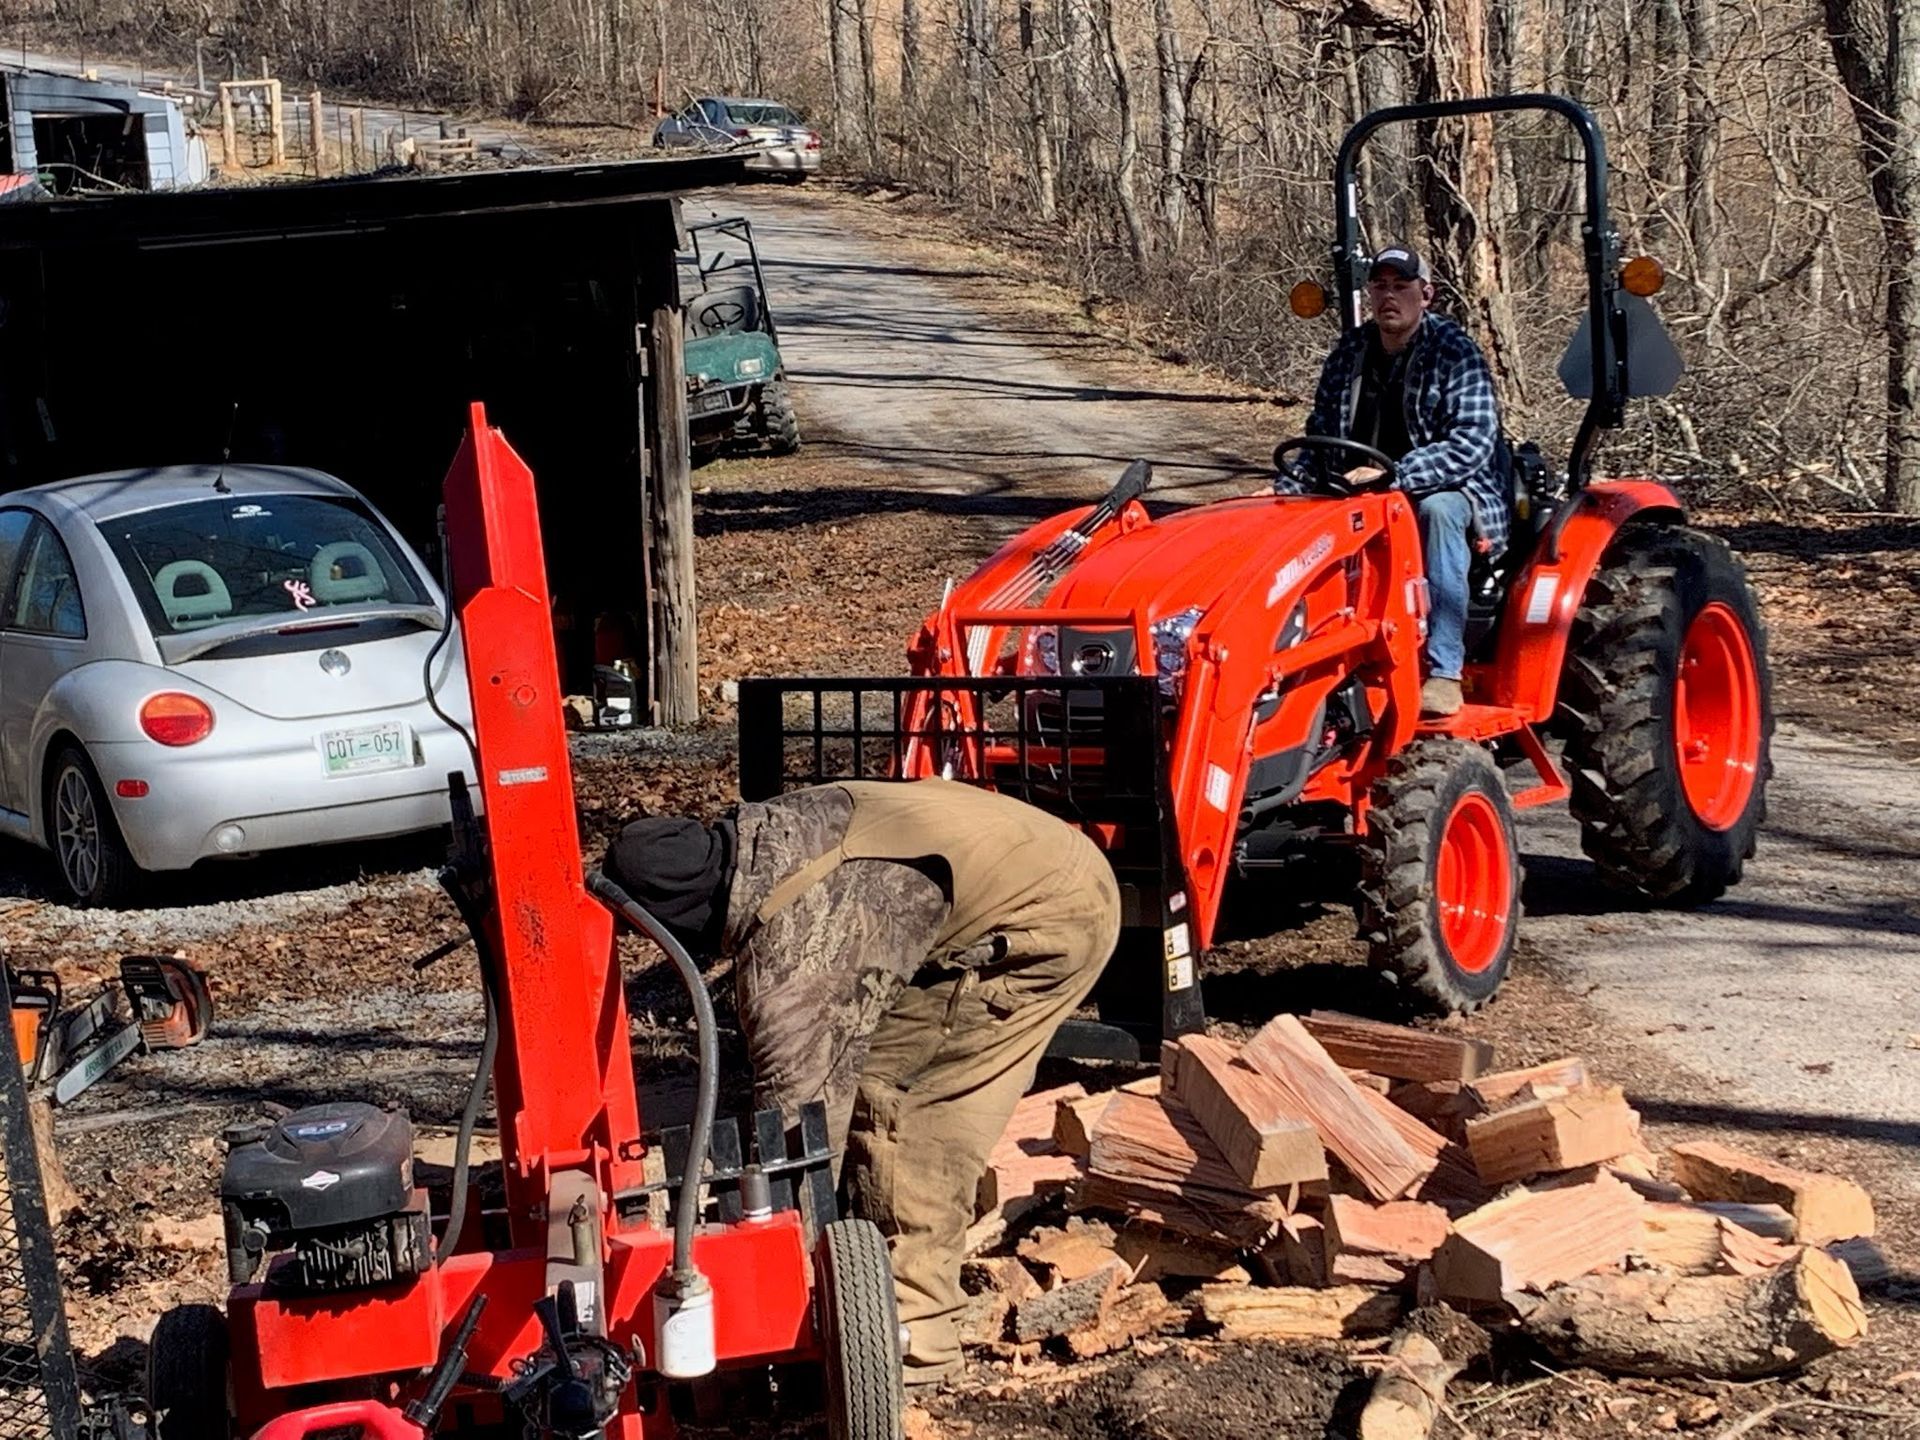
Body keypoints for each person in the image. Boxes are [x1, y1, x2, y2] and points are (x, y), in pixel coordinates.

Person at [600, 777, 1120, 1389]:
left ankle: (913, 1345)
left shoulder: (799, 959)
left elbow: (801, 1124)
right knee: (871, 1078)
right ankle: (861, 1286)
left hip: (1050, 913)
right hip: (1012, 867)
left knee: (913, 1118)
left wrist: (768, 1270)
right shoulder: (766, 837)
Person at [1276, 244, 1507, 717]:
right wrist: (1285, 489)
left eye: (1401, 286)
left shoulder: (1455, 353)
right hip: (1360, 488)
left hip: (1450, 489)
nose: (1389, 296)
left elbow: (1472, 445)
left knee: (1437, 512)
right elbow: (1322, 436)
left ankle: (1444, 670)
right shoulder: (1349, 353)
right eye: (1380, 285)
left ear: (1426, 294)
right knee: (1286, 522)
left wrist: (1397, 474)